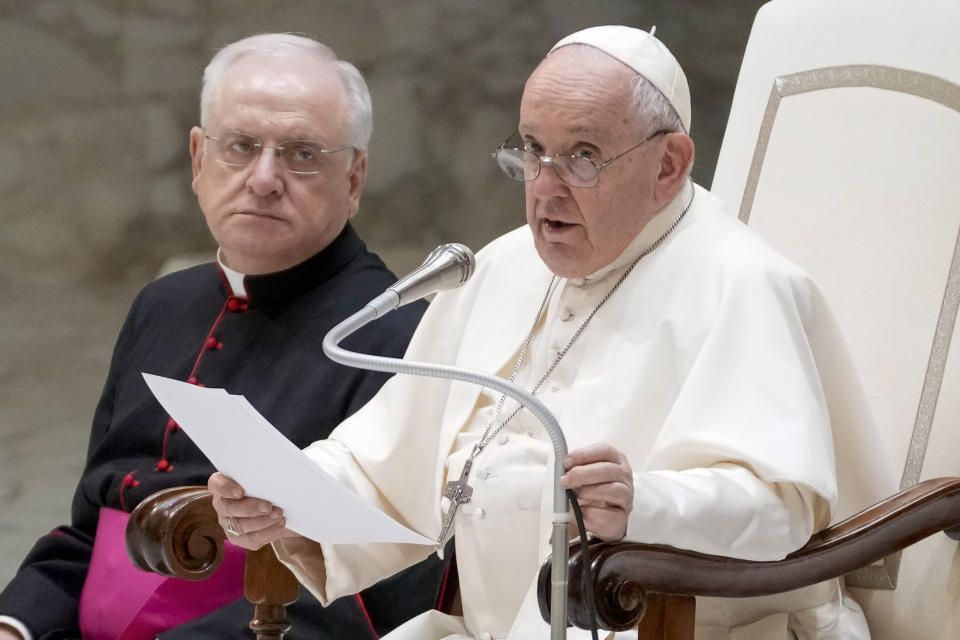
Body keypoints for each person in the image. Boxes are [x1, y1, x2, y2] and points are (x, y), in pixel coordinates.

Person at [209, 26, 881, 639]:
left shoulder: (744, 283)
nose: (545, 187)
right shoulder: (501, 267)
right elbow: (388, 461)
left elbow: (783, 510)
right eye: (533, 150)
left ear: (669, 165)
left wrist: (644, 504)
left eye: (582, 156)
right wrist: (288, 495)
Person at [0, 33, 447, 640]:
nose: (264, 179)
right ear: (197, 159)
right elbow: (88, 529)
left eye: (302, 154)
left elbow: (369, 592)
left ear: (354, 177)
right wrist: (19, 621)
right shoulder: (163, 303)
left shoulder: (394, 335)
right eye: (240, 146)